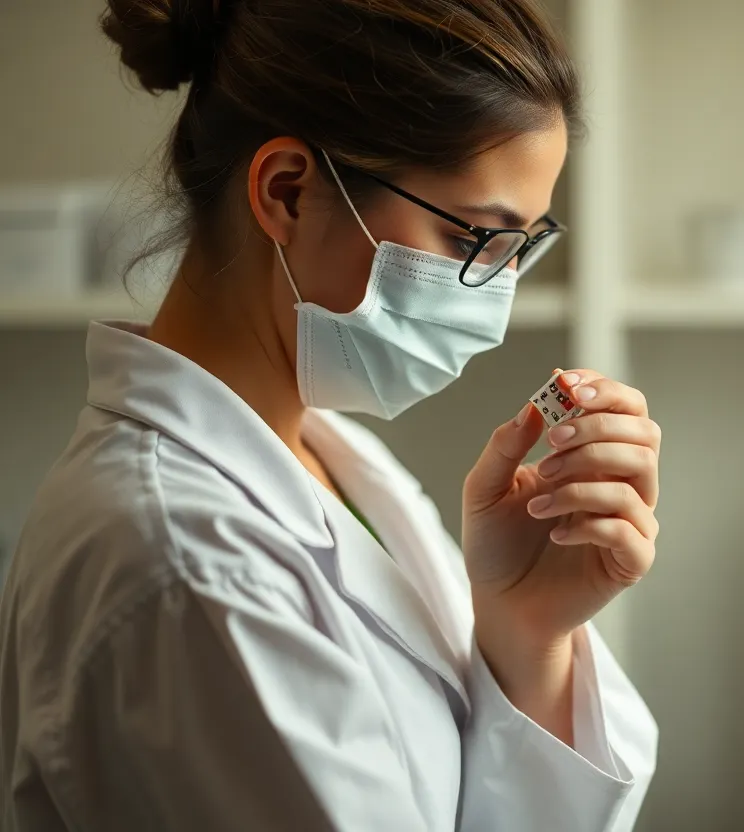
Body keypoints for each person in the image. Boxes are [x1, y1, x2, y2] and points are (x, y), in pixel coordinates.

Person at [0, 0, 660, 829]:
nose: (497, 297)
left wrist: (526, 635)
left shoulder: (327, 454)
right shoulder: (187, 566)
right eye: (474, 241)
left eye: (520, 247)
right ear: (287, 192)